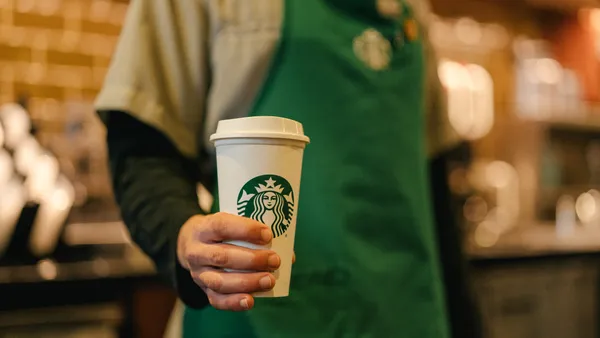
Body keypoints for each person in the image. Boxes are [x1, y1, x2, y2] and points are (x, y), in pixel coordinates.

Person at [96, 0, 479, 337]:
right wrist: (182, 236)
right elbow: (142, 149)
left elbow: (433, 189)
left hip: (406, 318)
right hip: (262, 323)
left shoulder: (415, 10)